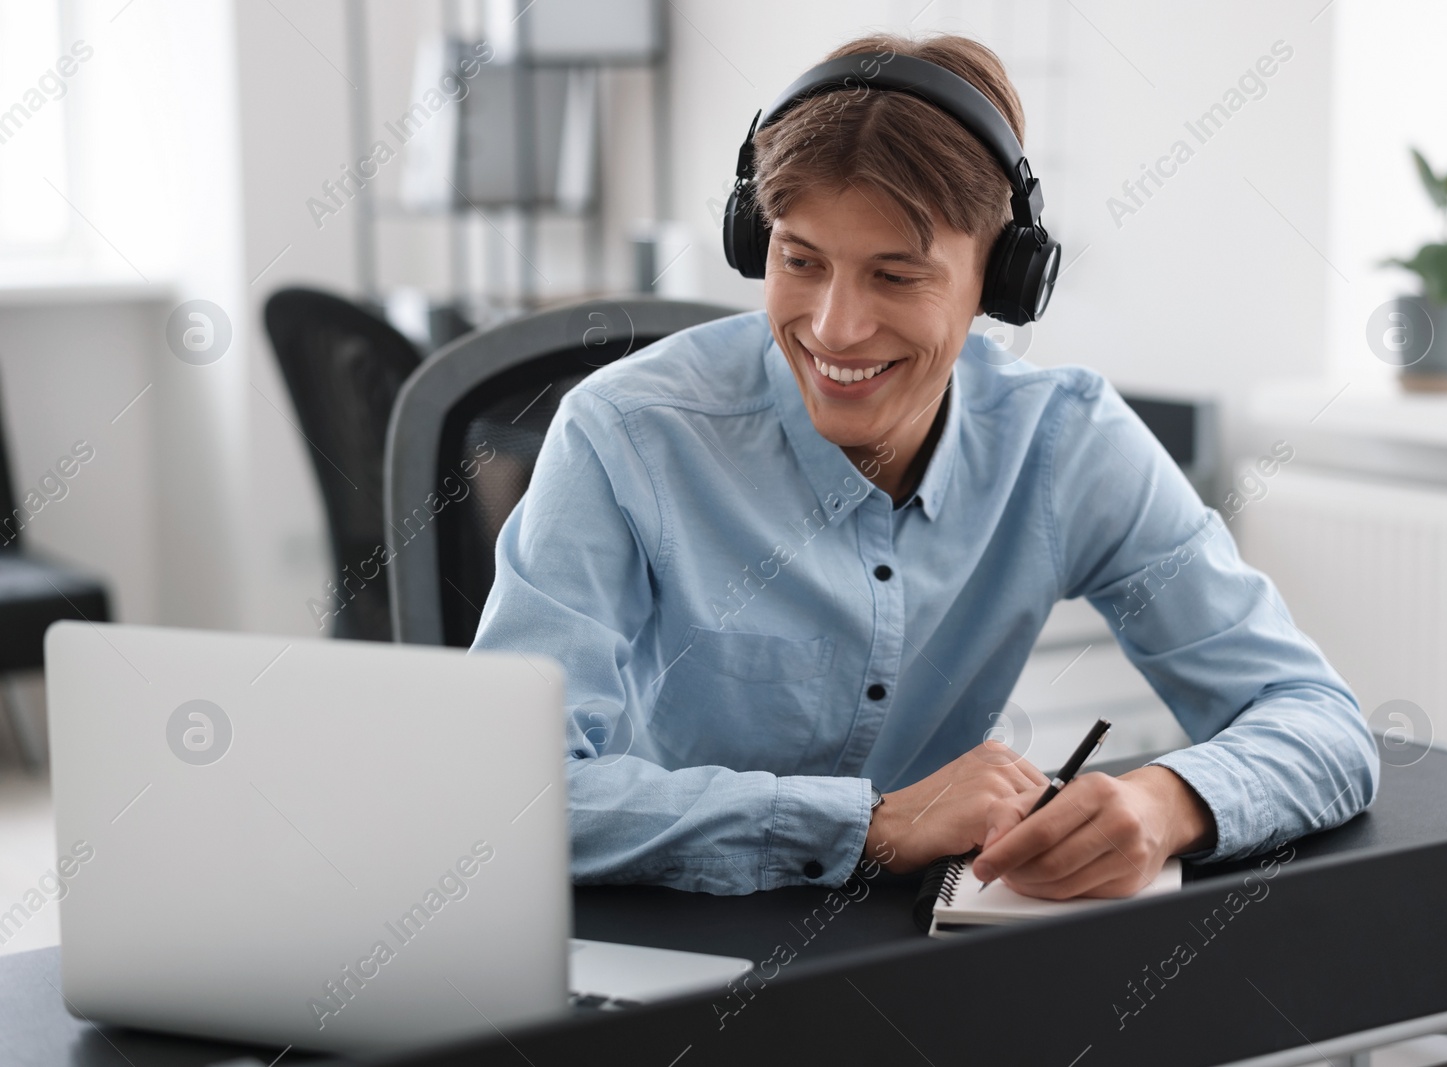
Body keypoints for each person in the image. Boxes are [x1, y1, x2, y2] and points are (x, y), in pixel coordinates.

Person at [471, 32, 1377, 900]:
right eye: (800, 260)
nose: (833, 326)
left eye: (896, 276)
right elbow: (511, 796)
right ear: (758, 242)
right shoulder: (626, 432)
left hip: (914, 962)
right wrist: (872, 824)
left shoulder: (1064, 442)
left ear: (1003, 281)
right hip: (657, 956)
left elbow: (1320, 718)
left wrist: (1165, 802)